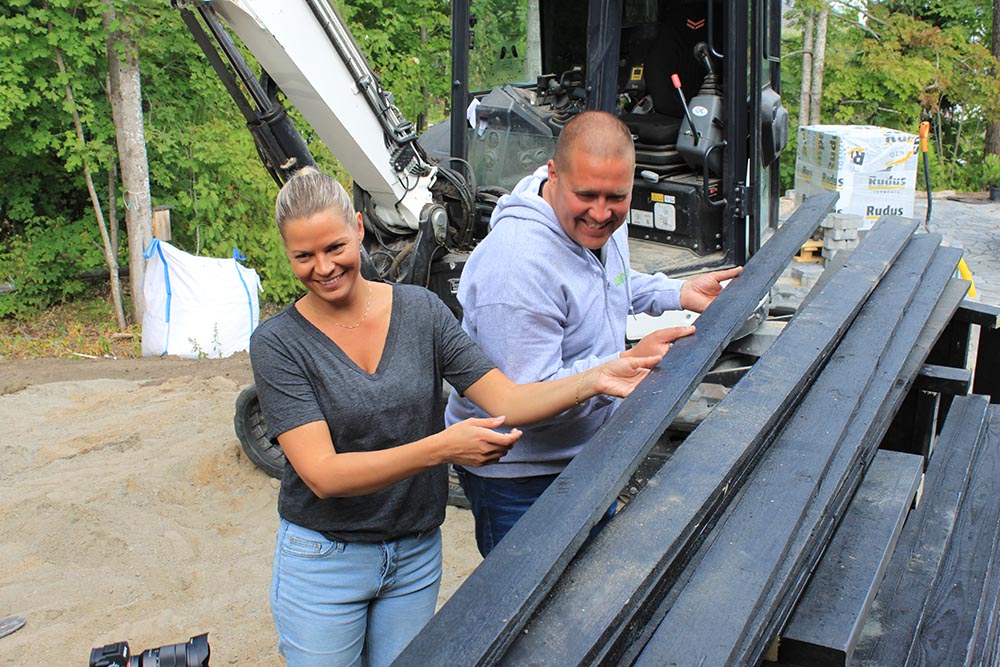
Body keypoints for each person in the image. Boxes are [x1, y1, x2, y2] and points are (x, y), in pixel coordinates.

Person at [249, 166, 662, 667]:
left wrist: (598, 376)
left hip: (413, 557)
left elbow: (508, 399)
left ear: (358, 228)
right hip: (325, 562)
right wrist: (443, 448)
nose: (323, 267)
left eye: (334, 247)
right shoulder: (279, 344)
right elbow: (323, 475)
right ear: (287, 253)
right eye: (304, 256)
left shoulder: (420, 311)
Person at [445, 110, 743, 557]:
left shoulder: (594, 225)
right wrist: (618, 366)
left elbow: (608, 283)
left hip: (589, 451)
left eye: (616, 197)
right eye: (586, 195)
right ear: (553, 174)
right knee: (531, 595)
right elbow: (521, 402)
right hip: (523, 476)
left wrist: (677, 292)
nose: (601, 213)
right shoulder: (516, 269)